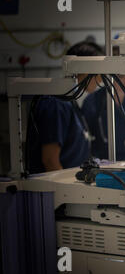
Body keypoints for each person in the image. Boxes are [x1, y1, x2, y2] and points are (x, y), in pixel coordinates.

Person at [27, 41, 103, 174]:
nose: (102, 79)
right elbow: (50, 160)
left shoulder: (70, 102)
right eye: (100, 72)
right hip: (57, 190)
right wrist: (64, 191)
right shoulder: (55, 103)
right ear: (85, 70)